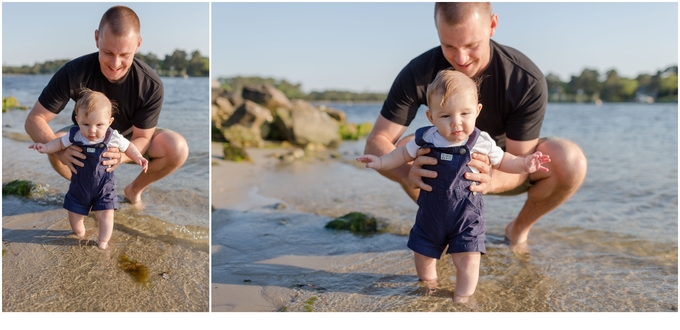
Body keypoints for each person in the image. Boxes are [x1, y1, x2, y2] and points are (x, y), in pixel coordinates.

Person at [364, 2, 587, 252]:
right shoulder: (418, 72)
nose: (460, 59)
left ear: (492, 26)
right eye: (448, 45)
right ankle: (441, 228)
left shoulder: (524, 79)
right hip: (444, 171)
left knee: (569, 160)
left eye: (471, 45)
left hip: (502, 165)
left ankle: (518, 229)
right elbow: (377, 140)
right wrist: (408, 174)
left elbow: (521, 162)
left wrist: (490, 180)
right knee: (408, 147)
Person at [358, 69, 550, 302]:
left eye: (465, 113)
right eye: (445, 116)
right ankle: (428, 286)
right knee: (423, 254)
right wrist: (379, 161)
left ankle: (462, 298)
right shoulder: (426, 138)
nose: (456, 123)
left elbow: (504, 160)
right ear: (431, 117)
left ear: (477, 111)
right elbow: (399, 156)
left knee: (468, 258)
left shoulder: (481, 141)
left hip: (466, 214)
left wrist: (525, 164)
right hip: (431, 213)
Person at [24, 5, 188, 206]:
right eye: (108, 52)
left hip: (130, 137)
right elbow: (34, 120)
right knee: (56, 141)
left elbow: (143, 137)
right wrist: (60, 151)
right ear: (96, 39)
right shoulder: (73, 73)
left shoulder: (150, 84)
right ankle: (86, 189)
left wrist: (120, 155)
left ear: (138, 45)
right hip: (88, 133)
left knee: (177, 148)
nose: (115, 63)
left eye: (124, 55)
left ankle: (133, 190)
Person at [29, 89, 148, 250]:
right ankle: (80, 233)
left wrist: (139, 157)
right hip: (79, 186)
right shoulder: (76, 135)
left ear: (110, 122)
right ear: (77, 120)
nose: (92, 130)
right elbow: (58, 144)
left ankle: (103, 241)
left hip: (104, 187)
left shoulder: (113, 137)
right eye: (86, 124)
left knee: (106, 214)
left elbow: (129, 147)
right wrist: (45, 147)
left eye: (99, 125)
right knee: (74, 214)